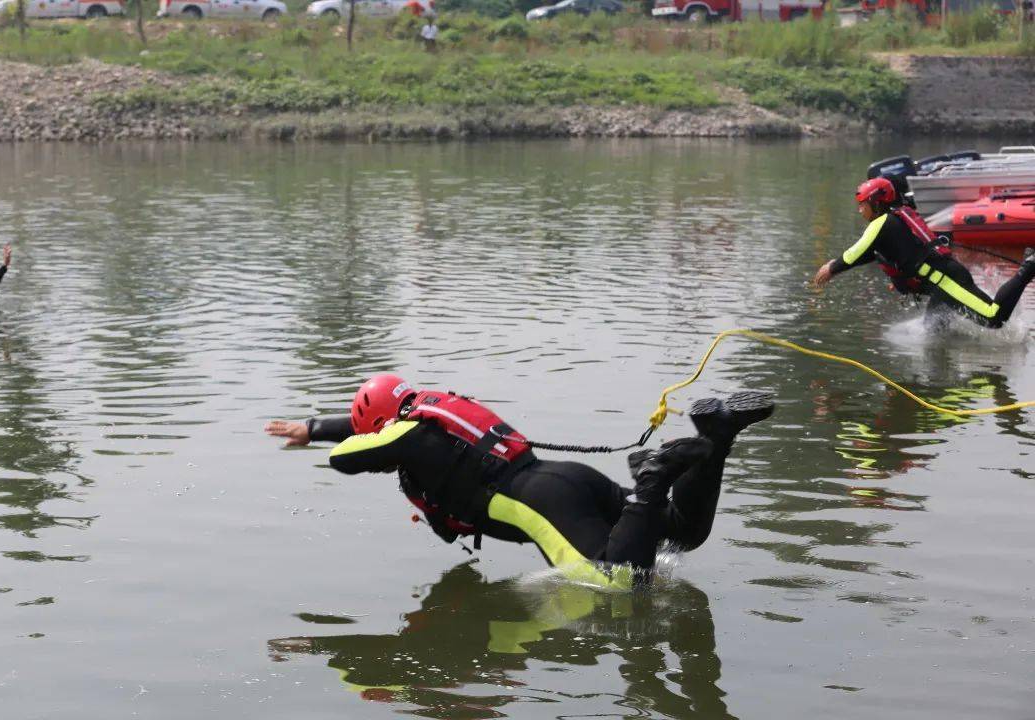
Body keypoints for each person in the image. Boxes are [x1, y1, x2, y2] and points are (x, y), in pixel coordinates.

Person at [266, 374, 773, 590]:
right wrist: (312, 427)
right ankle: (719, 436)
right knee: (681, 534)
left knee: (616, 584)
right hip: (565, 479)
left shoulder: (410, 436)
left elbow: (348, 458)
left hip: (536, 505)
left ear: (383, 424)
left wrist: (325, 438)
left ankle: (653, 476)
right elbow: (369, 433)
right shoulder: (433, 414)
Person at [813, 177, 1035, 329]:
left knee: (993, 317)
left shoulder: (882, 223)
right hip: (939, 284)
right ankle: (936, 389)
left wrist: (832, 268)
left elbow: (855, 253)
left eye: (863, 204)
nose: (860, 209)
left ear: (876, 202)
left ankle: (1028, 268)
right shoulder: (893, 221)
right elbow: (874, 254)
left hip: (946, 281)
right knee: (934, 333)